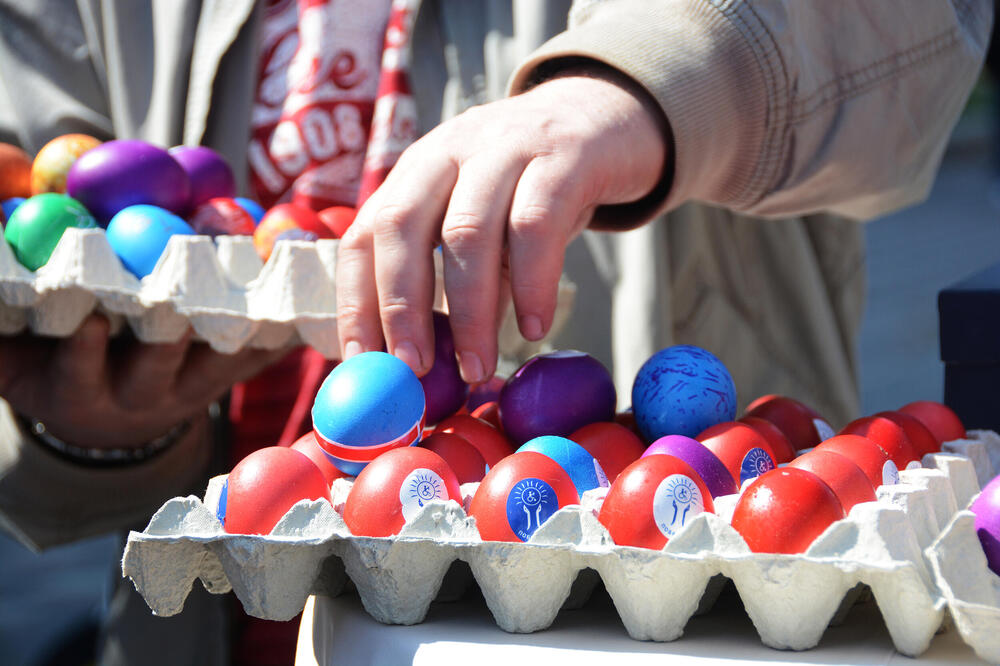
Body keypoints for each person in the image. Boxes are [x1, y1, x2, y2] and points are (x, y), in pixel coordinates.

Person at [0, 1, 991, 665]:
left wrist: (640, 86)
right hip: (224, 615)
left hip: (647, 623)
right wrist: (82, 433)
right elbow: (48, 204)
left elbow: (922, 33)